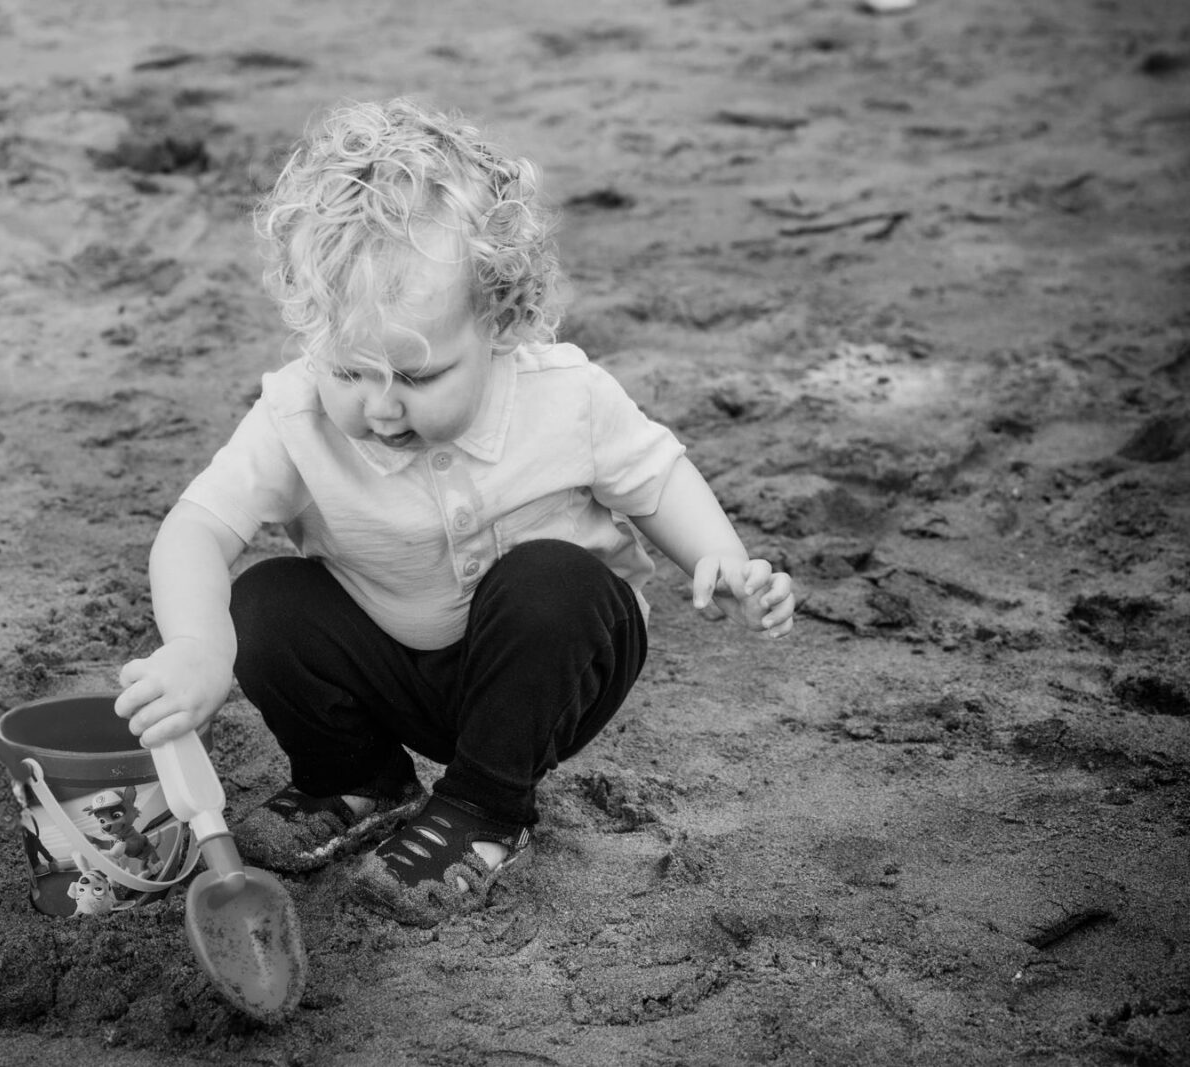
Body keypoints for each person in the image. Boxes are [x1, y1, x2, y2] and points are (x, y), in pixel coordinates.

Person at [114, 98, 796, 927]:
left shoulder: (564, 395)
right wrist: (196, 646)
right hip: (392, 660)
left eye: (419, 376)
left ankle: (483, 809)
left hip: (547, 669)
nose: (381, 408)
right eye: (350, 371)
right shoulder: (296, 417)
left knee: (554, 581)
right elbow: (197, 527)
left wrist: (716, 555)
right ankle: (357, 774)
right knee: (264, 601)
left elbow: (657, 478)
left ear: (500, 320)